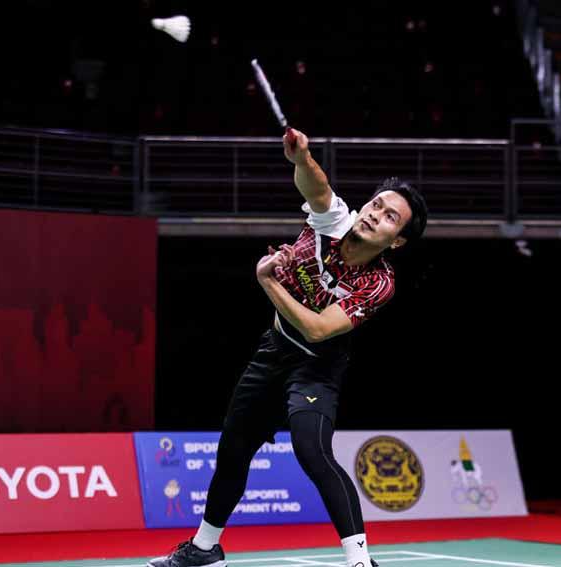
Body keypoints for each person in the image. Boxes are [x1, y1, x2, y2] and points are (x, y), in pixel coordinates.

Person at [149, 128, 428, 567]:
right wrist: (301, 158)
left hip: (317, 366)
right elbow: (318, 187)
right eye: (376, 203)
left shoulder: (380, 283)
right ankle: (204, 548)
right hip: (274, 350)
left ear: (397, 241)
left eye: (391, 217)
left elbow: (318, 330)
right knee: (234, 447)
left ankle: (360, 562)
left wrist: (268, 282)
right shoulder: (334, 220)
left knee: (311, 450)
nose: (376, 214)